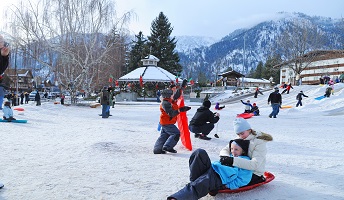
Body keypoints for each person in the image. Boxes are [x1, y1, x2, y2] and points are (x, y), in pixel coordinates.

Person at [167, 118, 273, 200]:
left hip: (249, 172)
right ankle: (198, 182)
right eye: (238, 134)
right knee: (199, 153)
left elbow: (254, 165)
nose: (240, 136)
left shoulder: (259, 142)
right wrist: (226, 157)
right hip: (228, 168)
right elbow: (225, 149)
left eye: (242, 133)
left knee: (209, 177)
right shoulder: (240, 139)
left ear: (249, 130)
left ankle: (187, 193)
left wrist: (232, 161)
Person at [153, 89, 191, 154]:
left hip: (166, 122)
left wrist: (182, 88)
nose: (173, 95)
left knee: (164, 135)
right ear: (168, 96)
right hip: (167, 122)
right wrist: (180, 110)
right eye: (171, 94)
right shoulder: (165, 103)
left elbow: (176, 97)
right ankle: (168, 147)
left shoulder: (169, 101)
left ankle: (158, 149)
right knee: (176, 133)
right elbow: (171, 113)